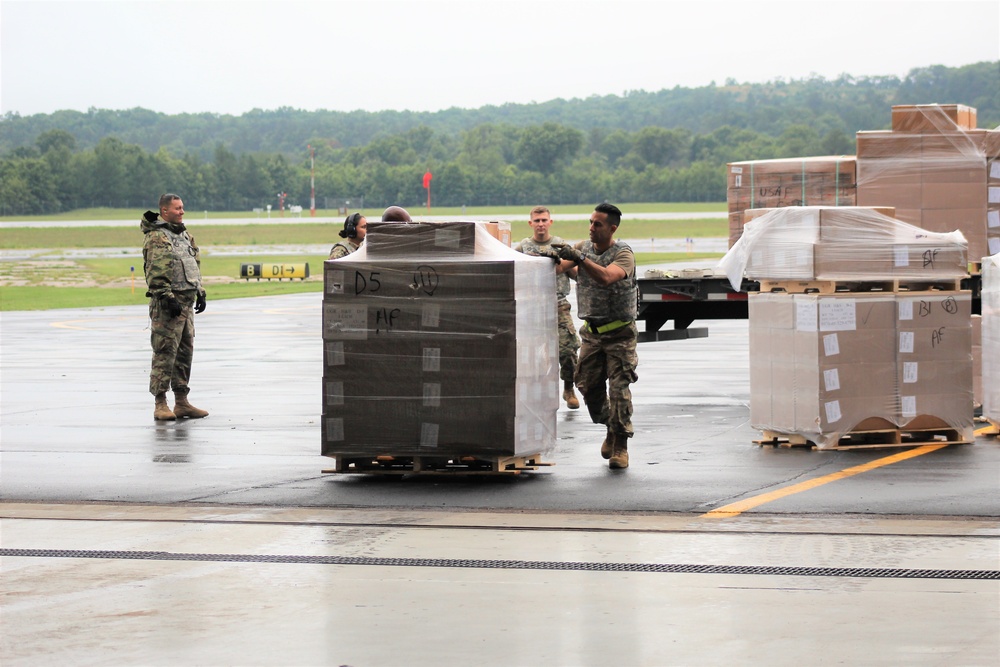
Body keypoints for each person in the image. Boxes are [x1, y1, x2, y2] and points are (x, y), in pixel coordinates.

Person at [554, 203, 637, 469]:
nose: (591, 228)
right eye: (590, 222)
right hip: (591, 334)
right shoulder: (583, 248)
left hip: (620, 335)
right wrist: (545, 254)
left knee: (619, 389)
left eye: (597, 224)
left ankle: (621, 446)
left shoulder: (623, 254)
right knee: (588, 388)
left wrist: (577, 259)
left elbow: (605, 277)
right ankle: (612, 427)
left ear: (612, 228)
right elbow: (560, 267)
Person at [141, 193, 209, 421]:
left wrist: (200, 291)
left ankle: (182, 401)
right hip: (168, 305)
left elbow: (193, 264)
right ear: (164, 211)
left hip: (186, 304)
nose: (182, 211)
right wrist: (165, 296)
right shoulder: (158, 237)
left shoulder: (184, 235)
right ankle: (160, 403)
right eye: (177, 208)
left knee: (184, 354)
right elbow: (156, 270)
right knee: (164, 353)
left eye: (182, 208)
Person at [514, 206, 581, 409]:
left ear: (550, 222)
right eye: (537, 220)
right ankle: (534, 393)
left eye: (544, 220)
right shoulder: (523, 248)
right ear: (530, 223)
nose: (541, 224)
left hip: (558, 304)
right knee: (531, 353)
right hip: (531, 307)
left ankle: (568, 388)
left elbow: (576, 273)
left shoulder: (560, 245)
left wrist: (569, 263)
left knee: (568, 349)